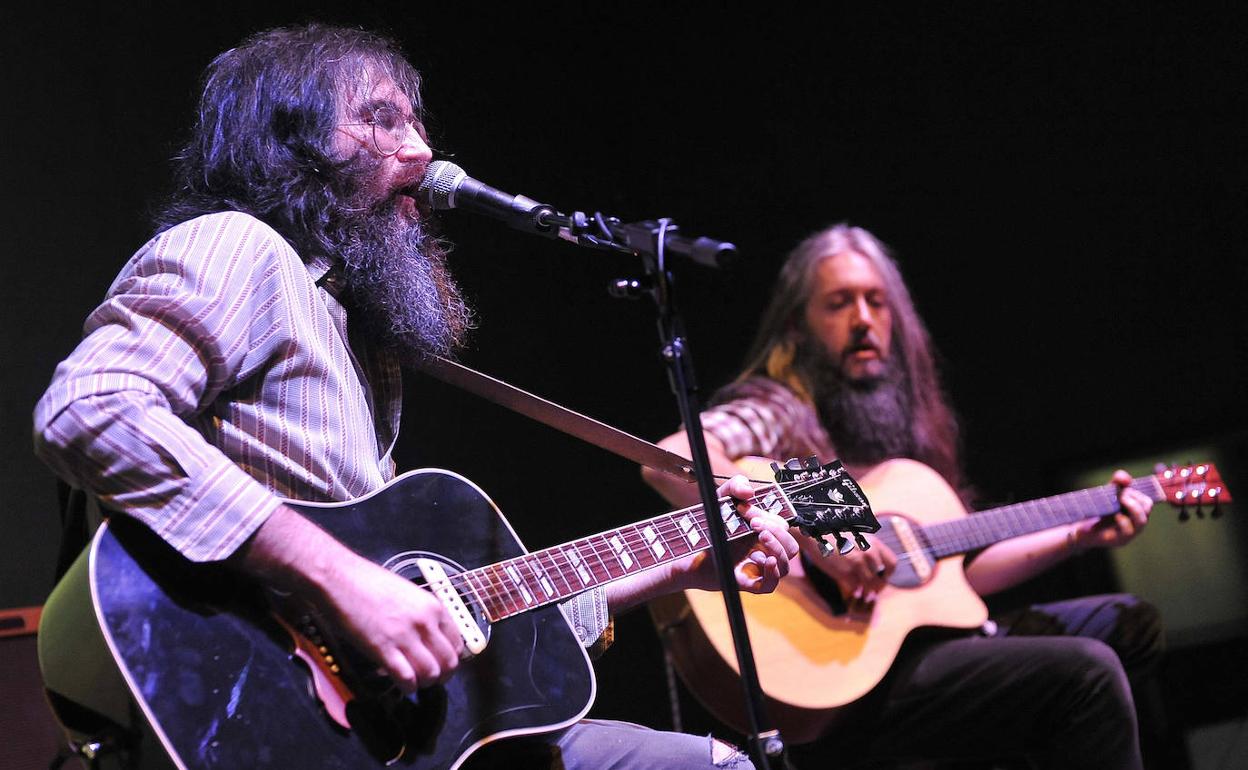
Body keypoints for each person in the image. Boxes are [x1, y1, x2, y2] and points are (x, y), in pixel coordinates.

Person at [32, 23, 799, 770]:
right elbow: (92, 409)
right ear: (290, 146)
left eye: (417, 120)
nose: (424, 152)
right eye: (379, 118)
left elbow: (463, 617)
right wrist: (342, 580)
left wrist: (688, 563)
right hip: (236, 707)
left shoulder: (355, 339)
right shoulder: (241, 249)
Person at [644, 223, 1164, 770]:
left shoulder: (905, 426)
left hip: (920, 648)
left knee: (1130, 624)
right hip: (837, 679)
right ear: (797, 327)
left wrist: (1079, 536)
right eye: (839, 304)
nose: (863, 319)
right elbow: (672, 456)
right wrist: (818, 524)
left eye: (876, 302)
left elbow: (952, 581)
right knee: (1087, 672)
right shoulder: (780, 408)